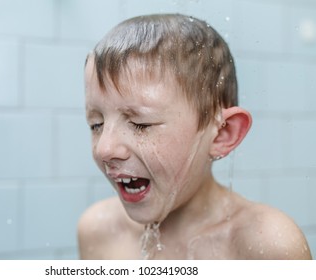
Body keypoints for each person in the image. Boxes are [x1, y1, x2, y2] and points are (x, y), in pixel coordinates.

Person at [78, 13, 312, 260]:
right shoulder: (99, 230)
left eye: (140, 124)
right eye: (96, 124)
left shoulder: (266, 244)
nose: (105, 148)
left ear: (222, 132)